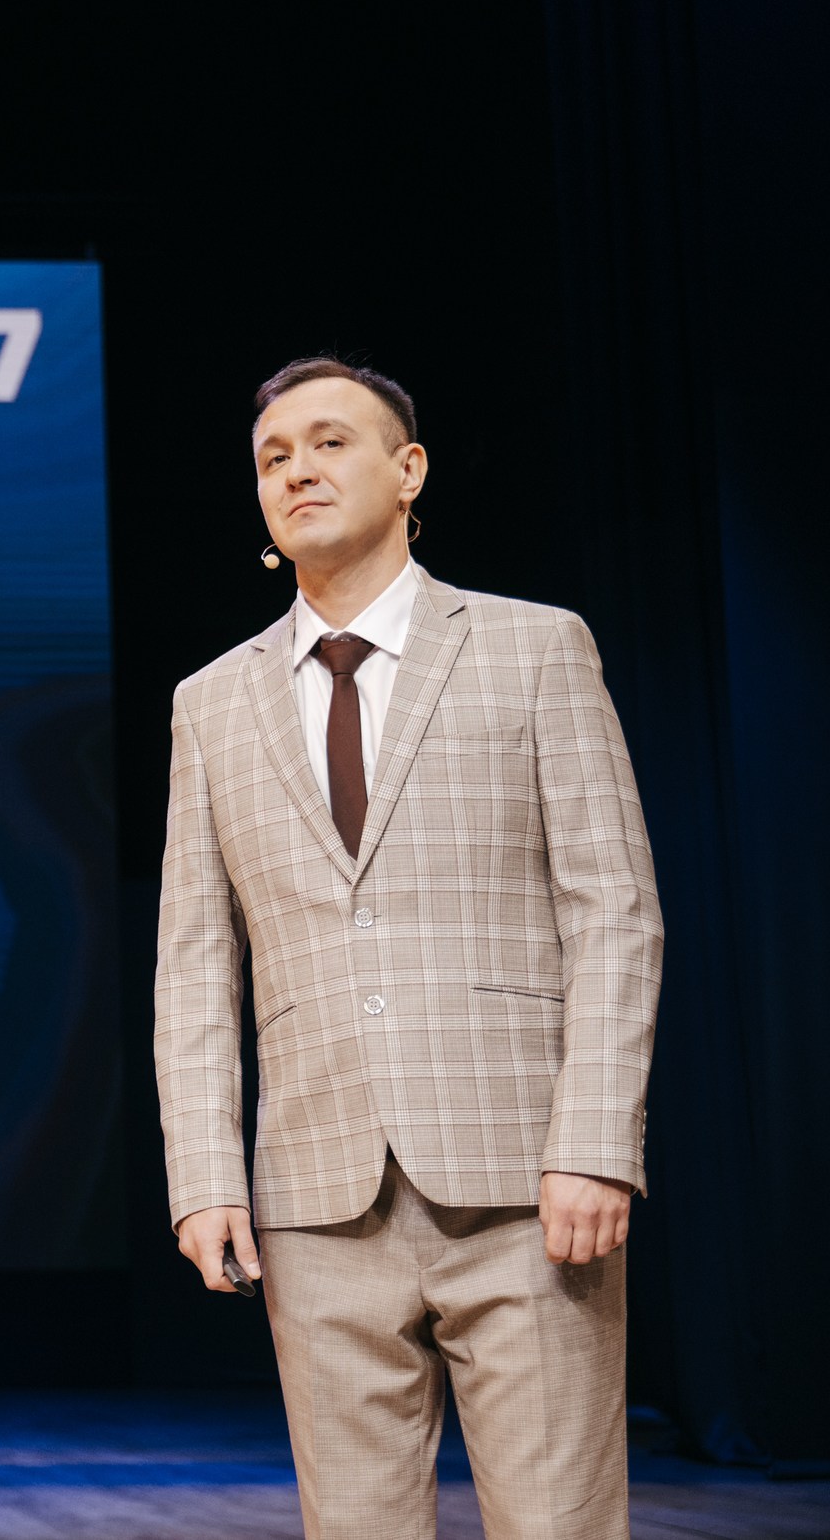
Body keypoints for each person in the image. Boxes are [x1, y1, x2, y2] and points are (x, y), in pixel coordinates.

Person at [154, 357, 662, 1540]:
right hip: (315, 1196)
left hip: (525, 1185)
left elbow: (612, 909)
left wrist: (595, 1140)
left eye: (329, 443)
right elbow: (193, 962)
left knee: (557, 1523)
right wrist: (204, 1176)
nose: (297, 471)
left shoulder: (533, 648)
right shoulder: (210, 702)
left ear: (408, 469)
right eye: (273, 458)